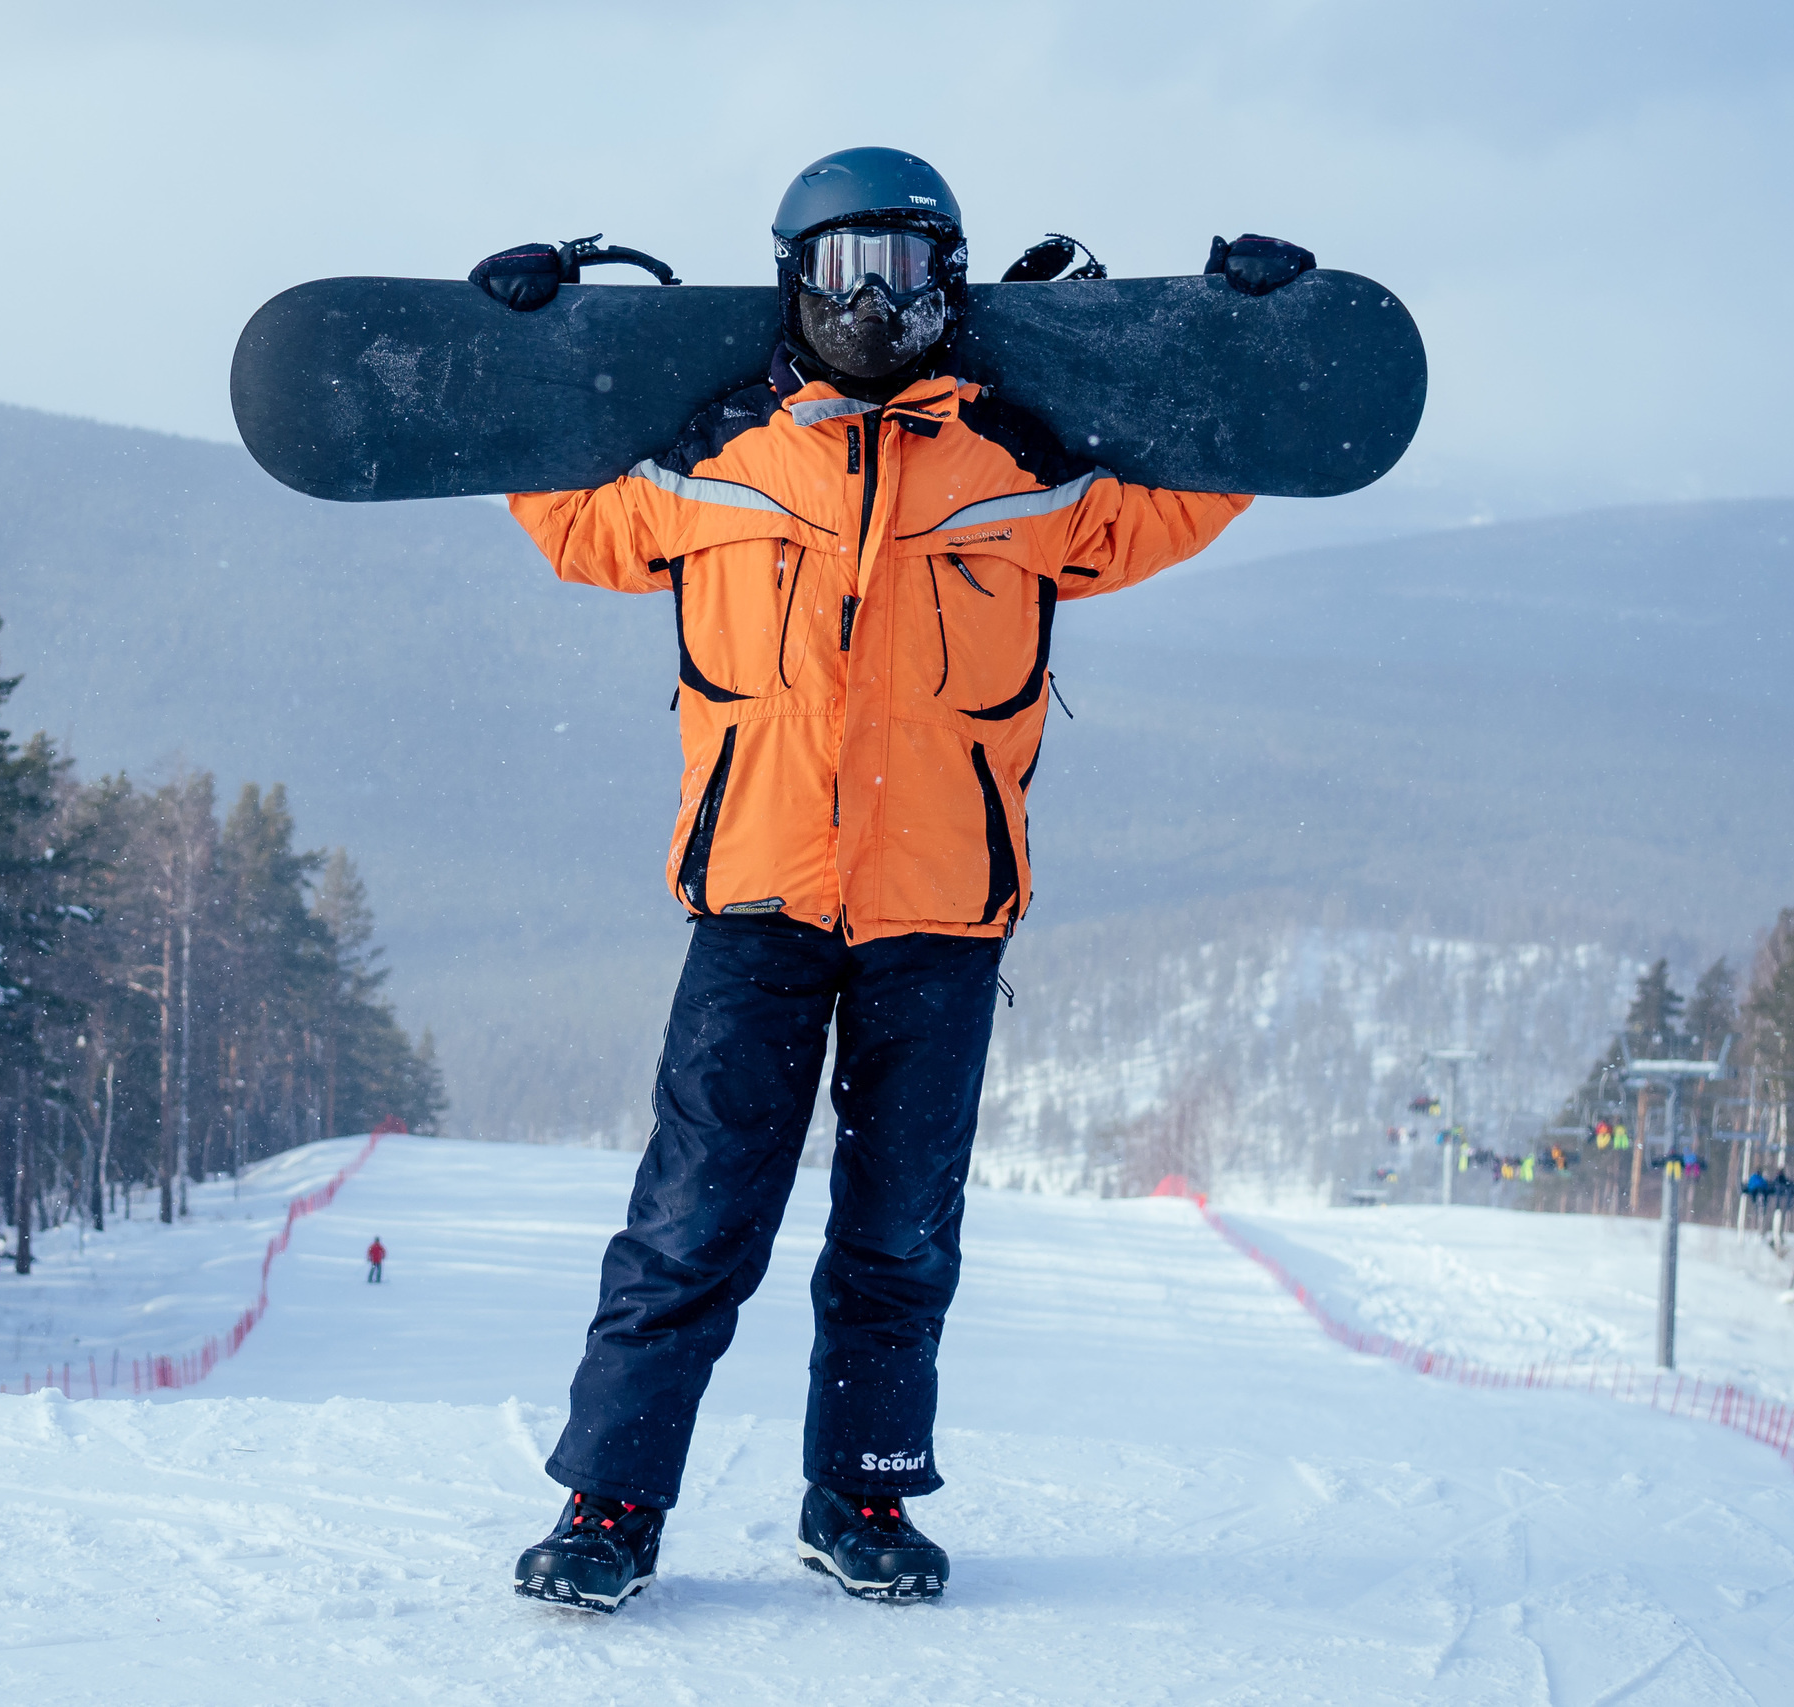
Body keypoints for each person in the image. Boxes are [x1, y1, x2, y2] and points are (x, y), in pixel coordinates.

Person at [473, 148, 1308, 1614]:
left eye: (911, 270)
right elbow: (575, 521)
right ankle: (610, 1506)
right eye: (849, 268)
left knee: (900, 1236)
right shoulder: (714, 466)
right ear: (796, 279)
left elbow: (1180, 501)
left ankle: (859, 1496)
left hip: (941, 914)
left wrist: (1250, 342)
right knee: (689, 1223)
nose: (879, 303)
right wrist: (512, 351)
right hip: (758, 907)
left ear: (952, 284)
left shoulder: (1020, 473)